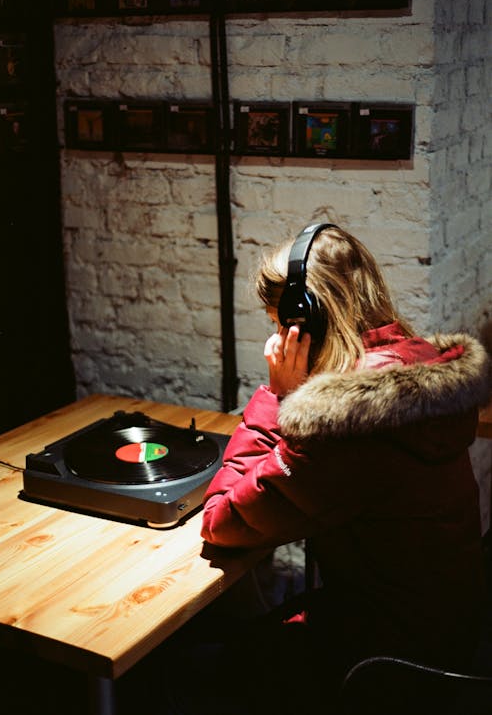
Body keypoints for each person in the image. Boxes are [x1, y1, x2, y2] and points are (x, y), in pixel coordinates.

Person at [122, 220, 491, 715]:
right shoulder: (414, 367)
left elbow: (223, 521)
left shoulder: (350, 422)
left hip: (385, 658)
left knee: (173, 674)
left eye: (280, 324)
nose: (278, 338)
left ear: (308, 321)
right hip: (439, 630)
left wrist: (277, 397)